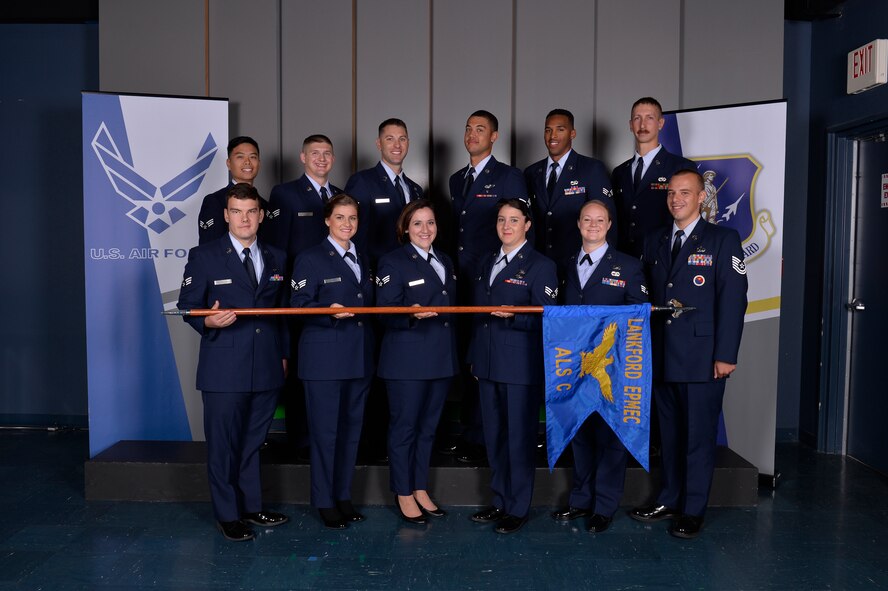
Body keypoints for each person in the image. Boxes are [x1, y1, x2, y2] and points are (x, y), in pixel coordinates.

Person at [629, 169, 748, 539]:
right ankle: (669, 498)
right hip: (663, 355)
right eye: (671, 193)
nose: (676, 199)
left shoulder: (722, 239)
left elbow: (733, 301)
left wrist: (726, 354)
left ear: (701, 198)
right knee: (670, 435)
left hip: (703, 357)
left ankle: (693, 510)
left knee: (697, 438)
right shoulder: (655, 240)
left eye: (685, 192)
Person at [177, 183, 290, 541]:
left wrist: (284, 354)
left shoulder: (277, 256)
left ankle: (252, 506)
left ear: (260, 215)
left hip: (268, 365)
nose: (245, 218)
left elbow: (282, 313)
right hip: (224, 367)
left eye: (251, 211)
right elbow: (187, 306)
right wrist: (207, 320)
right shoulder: (204, 255)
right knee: (224, 444)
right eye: (237, 211)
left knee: (253, 441)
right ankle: (227, 514)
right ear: (226, 216)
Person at [551, 200, 647, 533]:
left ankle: (604, 505)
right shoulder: (566, 265)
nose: (593, 225)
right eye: (587, 219)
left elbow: (638, 319)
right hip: (575, 368)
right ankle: (580, 500)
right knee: (580, 433)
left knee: (610, 436)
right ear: (578, 224)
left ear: (609, 225)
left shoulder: (629, 267)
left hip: (613, 366)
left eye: (600, 220)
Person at [468, 198, 558, 534]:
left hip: (520, 365)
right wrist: (475, 357)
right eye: (502, 220)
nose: (507, 226)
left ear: (527, 225)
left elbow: (548, 318)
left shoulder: (540, 265)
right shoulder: (488, 261)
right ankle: (500, 499)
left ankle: (518, 507)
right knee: (495, 437)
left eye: (514, 220)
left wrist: (516, 314)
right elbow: (477, 316)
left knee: (519, 439)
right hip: (489, 363)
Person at [289, 194, 375, 529]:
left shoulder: (361, 256)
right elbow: (298, 304)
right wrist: (328, 313)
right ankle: (324, 500)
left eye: (352, 218)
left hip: (358, 357)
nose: (347, 224)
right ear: (327, 220)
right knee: (325, 434)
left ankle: (342, 495)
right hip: (324, 359)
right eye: (340, 218)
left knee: (351, 433)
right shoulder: (311, 258)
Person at [448, 110, 528, 463]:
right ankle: (470, 432)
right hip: (459, 282)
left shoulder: (510, 177)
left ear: (494, 136)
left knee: (493, 357)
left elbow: (519, 229)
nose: (472, 134)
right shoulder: (455, 179)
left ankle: (485, 438)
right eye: (468, 128)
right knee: (469, 357)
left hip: (494, 280)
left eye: (480, 129)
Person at [376, 199, 458, 524]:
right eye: (418, 224)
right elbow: (384, 311)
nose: (425, 230)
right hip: (406, 361)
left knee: (428, 430)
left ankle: (420, 486)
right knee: (404, 428)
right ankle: (403, 491)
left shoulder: (446, 261)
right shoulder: (392, 262)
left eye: (431, 223)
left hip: (440, 359)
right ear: (405, 228)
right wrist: (410, 315)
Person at [264, 134, 343, 456]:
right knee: (299, 370)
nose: (321, 159)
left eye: (327, 153)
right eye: (315, 153)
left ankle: (328, 438)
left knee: (329, 367)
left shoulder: (340, 196)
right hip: (299, 297)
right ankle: (301, 440)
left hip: (335, 296)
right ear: (302, 157)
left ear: (333, 159)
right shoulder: (285, 194)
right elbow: (276, 251)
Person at [524, 109, 614, 263]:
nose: (553, 136)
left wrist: (605, 265)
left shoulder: (591, 168)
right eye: (548, 130)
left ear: (572, 134)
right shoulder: (531, 172)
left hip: (578, 262)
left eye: (560, 129)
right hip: (538, 262)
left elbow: (607, 220)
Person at [612, 97, 696, 257]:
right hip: (624, 259)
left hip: (662, 257)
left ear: (661, 123)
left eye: (649, 118)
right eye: (637, 118)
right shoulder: (619, 172)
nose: (642, 125)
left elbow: (691, 219)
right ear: (630, 125)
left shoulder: (681, 167)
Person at [345, 118, 424, 264]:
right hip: (376, 269)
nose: (397, 145)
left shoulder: (416, 189)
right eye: (390, 139)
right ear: (379, 144)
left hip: (411, 268)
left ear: (408, 143)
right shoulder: (362, 181)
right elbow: (352, 233)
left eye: (402, 139)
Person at [197, 136, 267, 245]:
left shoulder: (265, 205)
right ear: (229, 163)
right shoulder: (215, 201)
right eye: (240, 157)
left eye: (253, 157)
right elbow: (209, 250)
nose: (247, 162)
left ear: (259, 163)